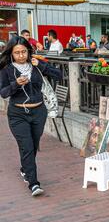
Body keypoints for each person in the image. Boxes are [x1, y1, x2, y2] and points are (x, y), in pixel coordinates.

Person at [0, 36, 62, 196]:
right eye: (17, 53)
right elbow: (3, 92)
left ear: (28, 51)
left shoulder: (36, 64)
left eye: (23, 52)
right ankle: (33, 183)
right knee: (26, 146)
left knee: (33, 145)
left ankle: (25, 168)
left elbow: (59, 75)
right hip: (17, 114)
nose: (21, 56)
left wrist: (41, 65)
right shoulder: (6, 70)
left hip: (38, 112)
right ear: (11, 54)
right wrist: (15, 84)